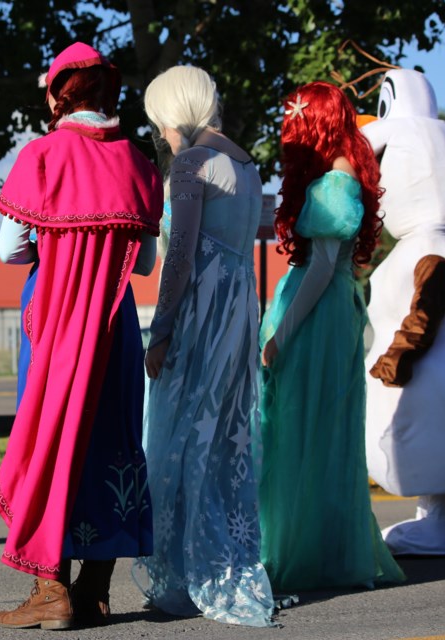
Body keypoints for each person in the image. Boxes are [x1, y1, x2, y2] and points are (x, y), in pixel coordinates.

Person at [0, 42, 162, 630]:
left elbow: (9, 248)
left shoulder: (40, 155)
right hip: (114, 326)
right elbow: (143, 263)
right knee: (112, 439)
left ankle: (51, 591)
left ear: (57, 94)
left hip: (55, 320)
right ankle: (95, 592)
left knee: (51, 434)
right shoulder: (140, 164)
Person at [129, 66, 275, 627]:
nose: (161, 133)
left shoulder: (192, 165)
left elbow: (180, 258)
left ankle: (189, 574)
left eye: (160, 122)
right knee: (224, 441)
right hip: (239, 310)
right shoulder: (245, 164)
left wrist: (160, 332)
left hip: (202, 314)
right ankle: (227, 558)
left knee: (179, 438)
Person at [257, 81, 404, 591]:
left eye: (295, 119)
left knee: (301, 429)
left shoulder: (334, 180)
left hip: (315, 317)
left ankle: (301, 552)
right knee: (324, 430)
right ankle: (325, 548)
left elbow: (319, 268)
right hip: (331, 312)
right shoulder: (345, 171)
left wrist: (281, 334)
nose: (289, 128)